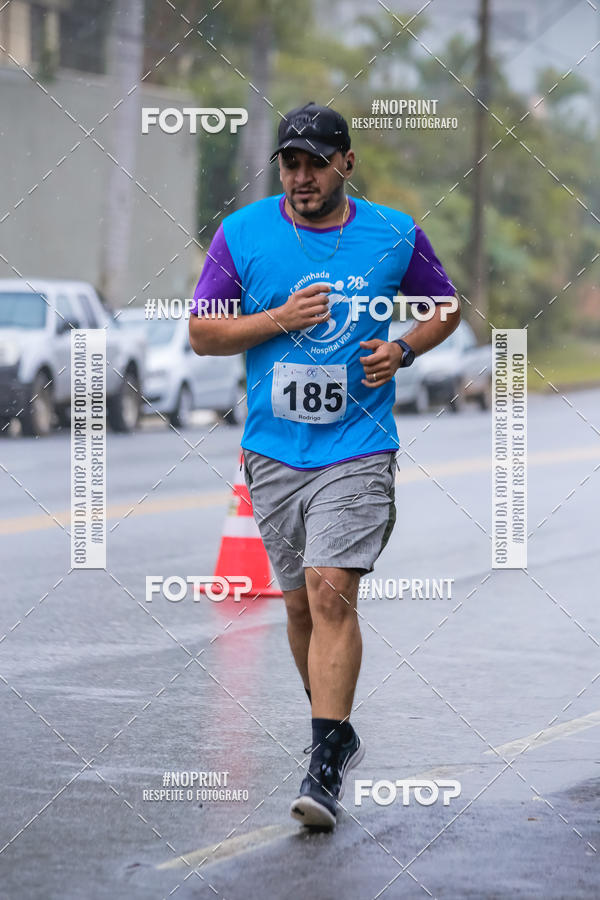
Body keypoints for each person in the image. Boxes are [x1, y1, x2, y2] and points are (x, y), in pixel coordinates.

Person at [189, 102, 460, 828]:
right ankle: (334, 727)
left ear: (345, 162)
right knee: (303, 604)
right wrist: (279, 318)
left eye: (314, 162)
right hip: (274, 452)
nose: (301, 176)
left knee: (333, 590)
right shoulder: (242, 234)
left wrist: (404, 349)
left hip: (360, 447)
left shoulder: (394, 233)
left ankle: (322, 766)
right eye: (289, 163)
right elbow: (202, 334)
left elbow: (447, 307)